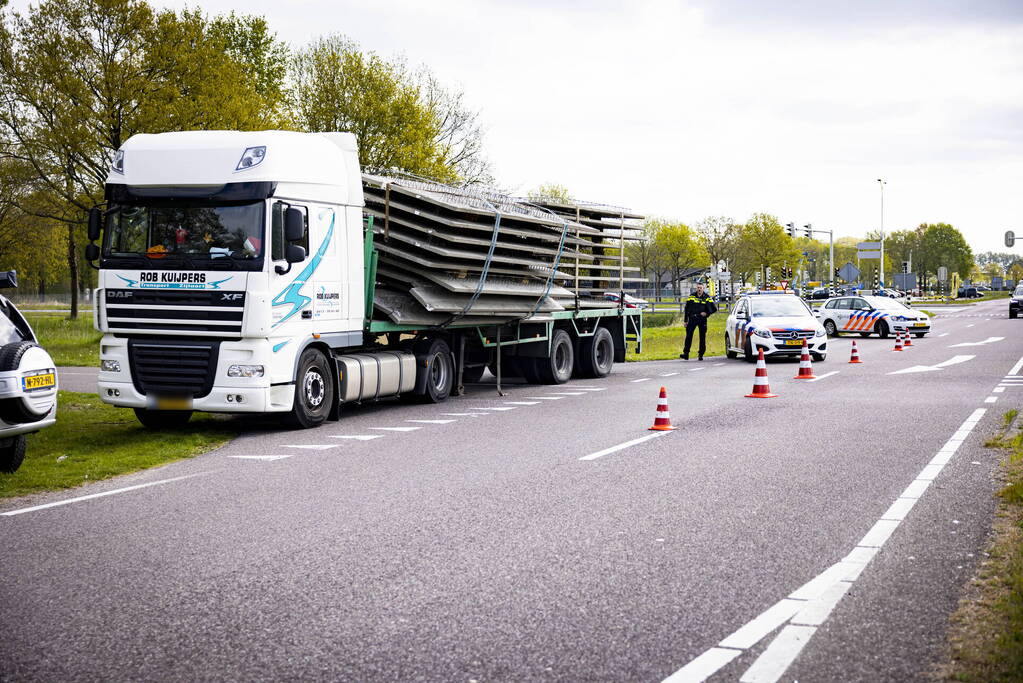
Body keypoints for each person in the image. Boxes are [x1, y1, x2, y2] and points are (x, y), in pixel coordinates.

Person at [680, 282, 717, 360]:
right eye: (698, 288)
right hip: (692, 319)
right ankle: (686, 354)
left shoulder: (706, 297)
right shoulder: (692, 296)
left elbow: (714, 309)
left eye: (701, 288)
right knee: (688, 336)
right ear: (696, 288)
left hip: (702, 320)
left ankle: (701, 354)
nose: (699, 289)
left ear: (703, 289)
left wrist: (706, 313)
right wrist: (685, 320)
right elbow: (686, 308)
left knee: (702, 337)